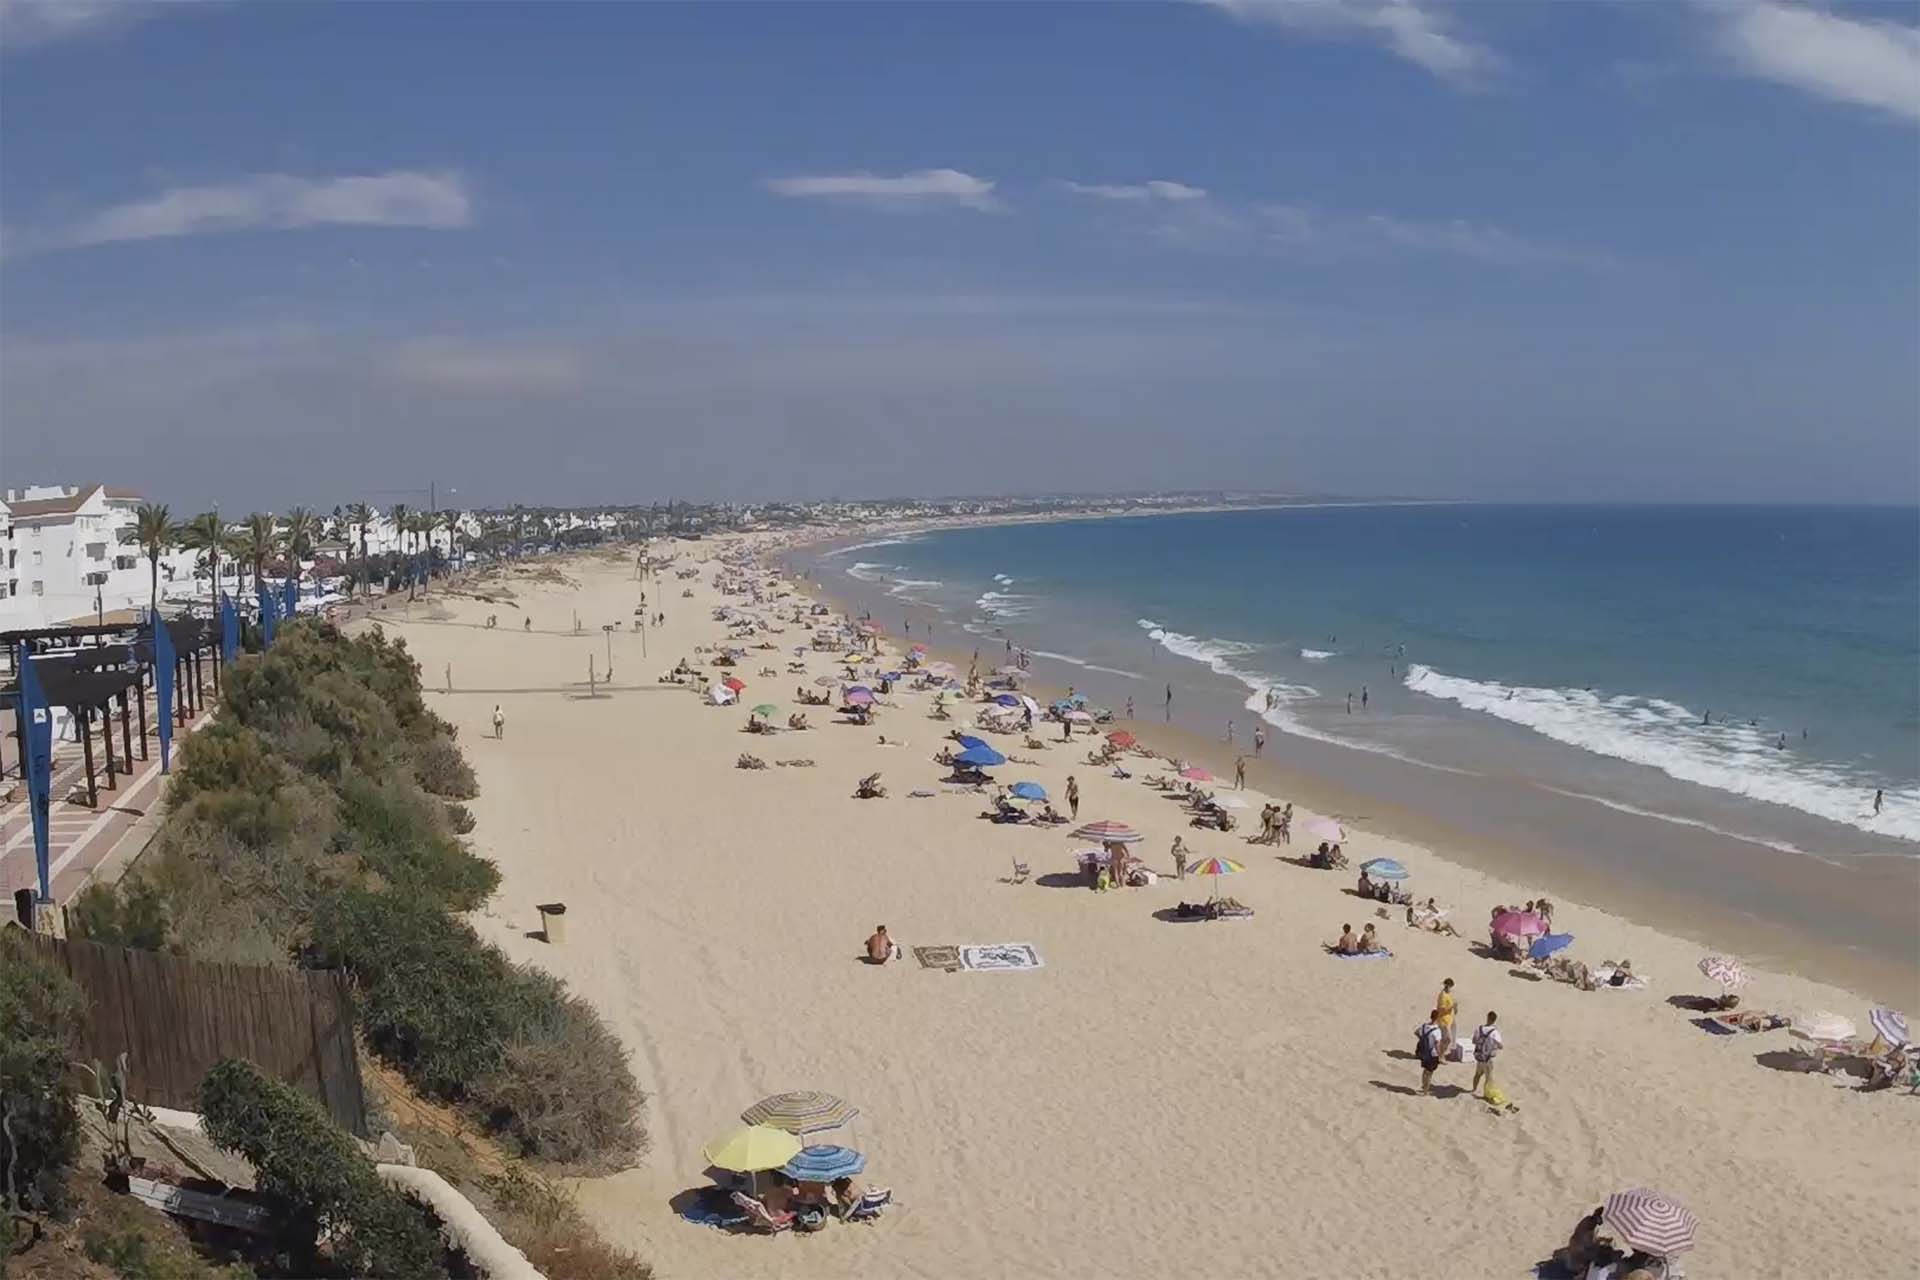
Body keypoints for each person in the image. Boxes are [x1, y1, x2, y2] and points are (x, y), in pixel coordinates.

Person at [1471, 1011, 1502, 1097]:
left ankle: (1474, 1089)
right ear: (1494, 1020)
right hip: (1488, 1059)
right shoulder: (1495, 1032)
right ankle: (1486, 1094)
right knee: (1488, 1078)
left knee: (1477, 1075)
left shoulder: (1479, 1029)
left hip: (1480, 1057)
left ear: (1487, 1017)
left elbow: (1474, 1041)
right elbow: (1500, 1046)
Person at [1416, 1010, 1446, 1095]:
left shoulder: (1424, 1026)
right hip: (1432, 1054)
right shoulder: (1437, 1031)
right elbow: (1437, 1045)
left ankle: (1424, 1085)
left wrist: (1423, 1040)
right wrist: (1440, 1056)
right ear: (1438, 1018)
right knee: (1429, 1073)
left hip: (1424, 1052)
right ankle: (1425, 1091)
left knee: (1425, 1070)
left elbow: (1417, 1032)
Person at [1435, 978, 1458, 1052]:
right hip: (1443, 1020)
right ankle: (1441, 1055)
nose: (1451, 989)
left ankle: (1443, 1053)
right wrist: (1452, 1007)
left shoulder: (1448, 994)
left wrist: (1455, 1008)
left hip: (1450, 1019)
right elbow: (1441, 1009)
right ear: (1447, 986)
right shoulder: (1443, 996)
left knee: (1449, 1039)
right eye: (1450, 987)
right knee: (1447, 1039)